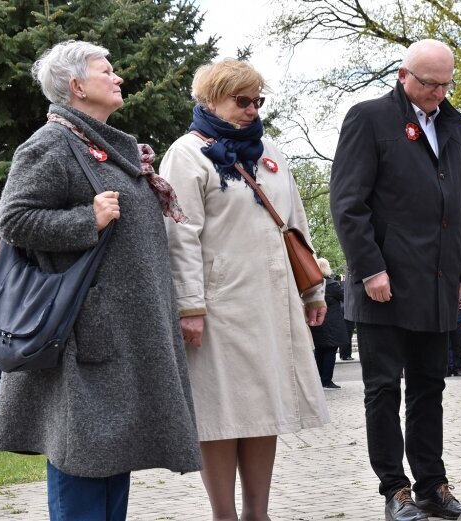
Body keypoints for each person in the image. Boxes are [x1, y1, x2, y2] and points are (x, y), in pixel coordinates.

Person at [0, 40, 201, 520]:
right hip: (84, 336)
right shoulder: (51, 144)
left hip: (122, 333)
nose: (118, 77)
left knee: (111, 458)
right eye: (106, 70)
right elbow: (15, 219)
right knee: (83, 460)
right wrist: (86, 218)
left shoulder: (108, 148)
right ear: (77, 86)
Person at [160, 58, 330, 521]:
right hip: (219, 306)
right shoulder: (187, 153)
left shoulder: (269, 151)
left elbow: (296, 222)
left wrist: (313, 292)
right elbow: (181, 235)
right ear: (211, 98)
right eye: (242, 100)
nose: (252, 109)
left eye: (258, 101)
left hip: (271, 301)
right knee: (220, 413)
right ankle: (224, 515)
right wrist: (189, 306)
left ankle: (259, 513)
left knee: (263, 409)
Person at [330, 39, 461, 521]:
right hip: (385, 283)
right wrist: (370, 267)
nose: (438, 93)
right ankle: (394, 490)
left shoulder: (457, 129)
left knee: (429, 387)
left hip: (439, 282)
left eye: (446, 84)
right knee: (383, 389)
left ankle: (432, 485)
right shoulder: (369, 118)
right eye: (429, 83)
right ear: (403, 75)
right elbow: (347, 203)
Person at [310, 258, 350, 389]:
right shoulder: (332, 285)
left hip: (316, 324)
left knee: (319, 351)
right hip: (331, 325)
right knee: (330, 351)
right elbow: (345, 296)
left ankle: (318, 380)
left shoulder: (312, 284)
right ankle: (326, 380)